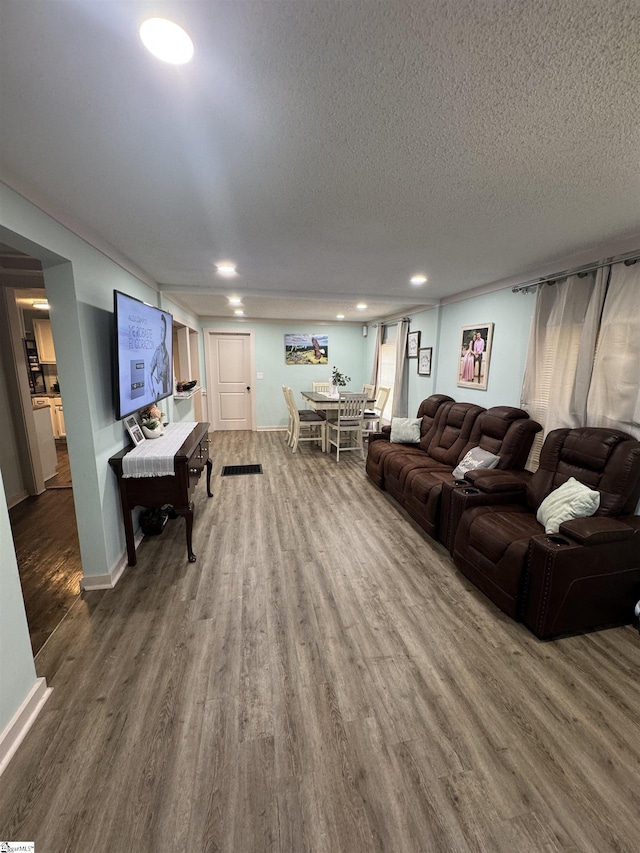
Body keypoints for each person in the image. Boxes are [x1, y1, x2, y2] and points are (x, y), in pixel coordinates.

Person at [150, 314, 171, 395]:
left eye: (163, 331)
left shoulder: (167, 353)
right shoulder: (157, 351)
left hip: (165, 391)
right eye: (160, 331)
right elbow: (149, 371)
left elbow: (169, 377)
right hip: (158, 392)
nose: (162, 334)